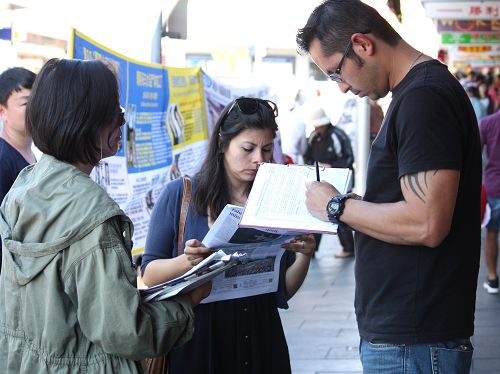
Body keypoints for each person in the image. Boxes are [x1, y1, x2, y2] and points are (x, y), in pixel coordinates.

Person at [297, 1, 481, 372]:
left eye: (335, 73)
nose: (343, 87)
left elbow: (427, 223)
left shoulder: (423, 99)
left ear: (362, 45)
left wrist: (338, 207)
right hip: (409, 337)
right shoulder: (416, 95)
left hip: (414, 341)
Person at [0, 58, 210, 373]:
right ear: (88, 122)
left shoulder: (23, 189)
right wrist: (187, 303)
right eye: (116, 113)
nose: (122, 123)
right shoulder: (93, 218)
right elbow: (125, 331)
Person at [141, 96, 315, 374]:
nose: (259, 159)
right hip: (199, 343)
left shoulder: (272, 200)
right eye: (248, 148)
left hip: (261, 341)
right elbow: (149, 274)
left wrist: (305, 256)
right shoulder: (180, 195)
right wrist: (189, 262)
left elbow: (279, 291)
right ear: (223, 144)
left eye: (267, 149)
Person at [303, 104, 355, 258]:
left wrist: (332, 167)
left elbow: (348, 158)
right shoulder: (313, 137)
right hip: (320, 180)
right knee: (316, 212)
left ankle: (348, 248)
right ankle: (313, 249)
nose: (317, 128)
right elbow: (308, 156)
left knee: (338, 212)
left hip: (339, 179)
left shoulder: (337, 135)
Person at [0, 67, 36, 272]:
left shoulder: (35, 156)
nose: (33, 108)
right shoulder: (3, 159)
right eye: (25, 102)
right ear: (2, 111)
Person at [480, 110, 500, 294]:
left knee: (492, 234)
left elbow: (474, 153)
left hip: (494, 187)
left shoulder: (488, 123)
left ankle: (493, 278)